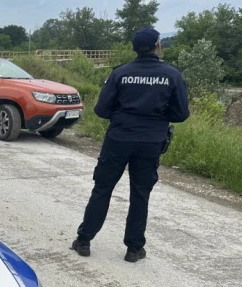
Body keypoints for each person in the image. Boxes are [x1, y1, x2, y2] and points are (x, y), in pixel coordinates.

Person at [71, 27, 190, 263]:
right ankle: (134, 249)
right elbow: (180, 114)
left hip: (119, 139)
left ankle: (84, 241)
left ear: (134, 48)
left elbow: (101, 109)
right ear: (157, 46)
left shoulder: (120, 73)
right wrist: (157, 116)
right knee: (140, 194)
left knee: (102, 188)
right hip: (151, 141)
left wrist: (123, 115)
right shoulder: (172, 75)